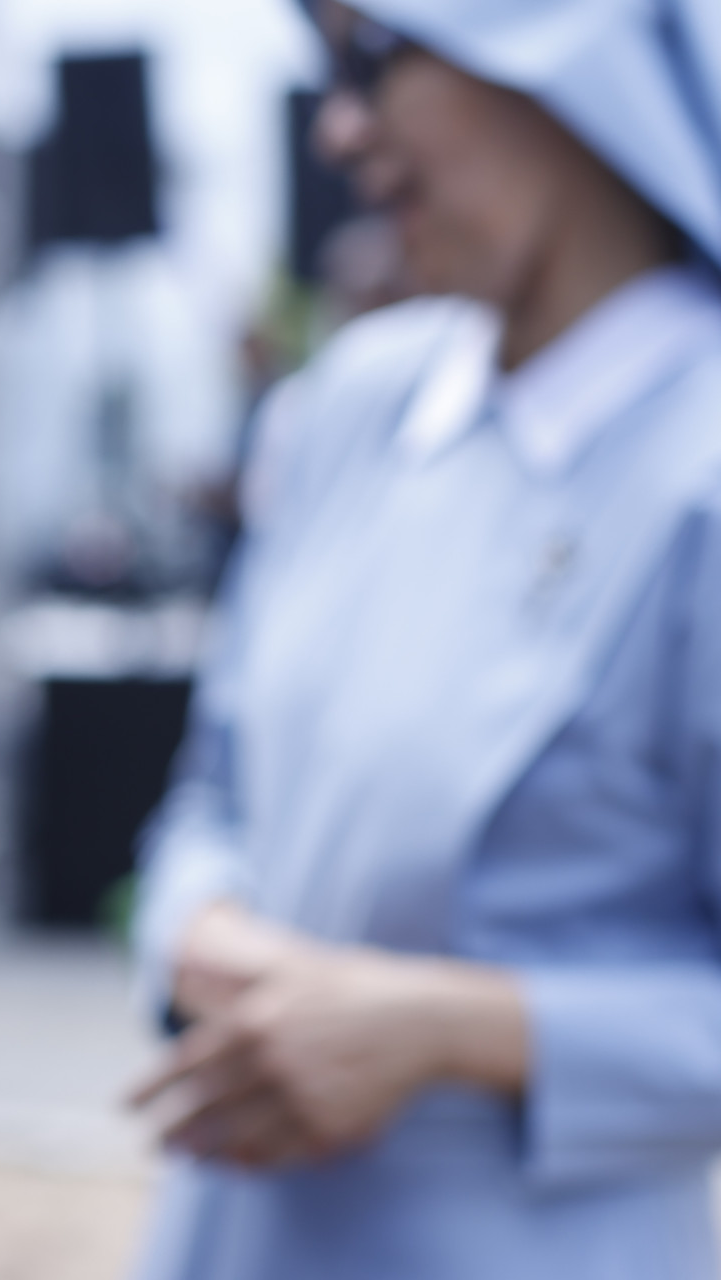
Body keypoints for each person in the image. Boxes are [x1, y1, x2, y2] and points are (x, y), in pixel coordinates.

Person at [129, 3, 721, 1277]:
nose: (339, 131)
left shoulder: (701, 472)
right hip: (237, 1226)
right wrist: (202, 930)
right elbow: (215, 791)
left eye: (375, 60)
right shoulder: (352, 401)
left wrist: (458, 1028)